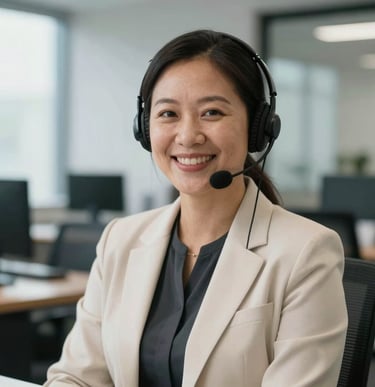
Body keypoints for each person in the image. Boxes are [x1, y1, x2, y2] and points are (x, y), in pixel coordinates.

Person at [44, 29, 348, 387]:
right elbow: (76, 376)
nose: (188, 136)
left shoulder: (306, 253)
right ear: (144, 129)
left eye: (212, 112)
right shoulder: (119, 241)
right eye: (168, 113)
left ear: (256, 127)